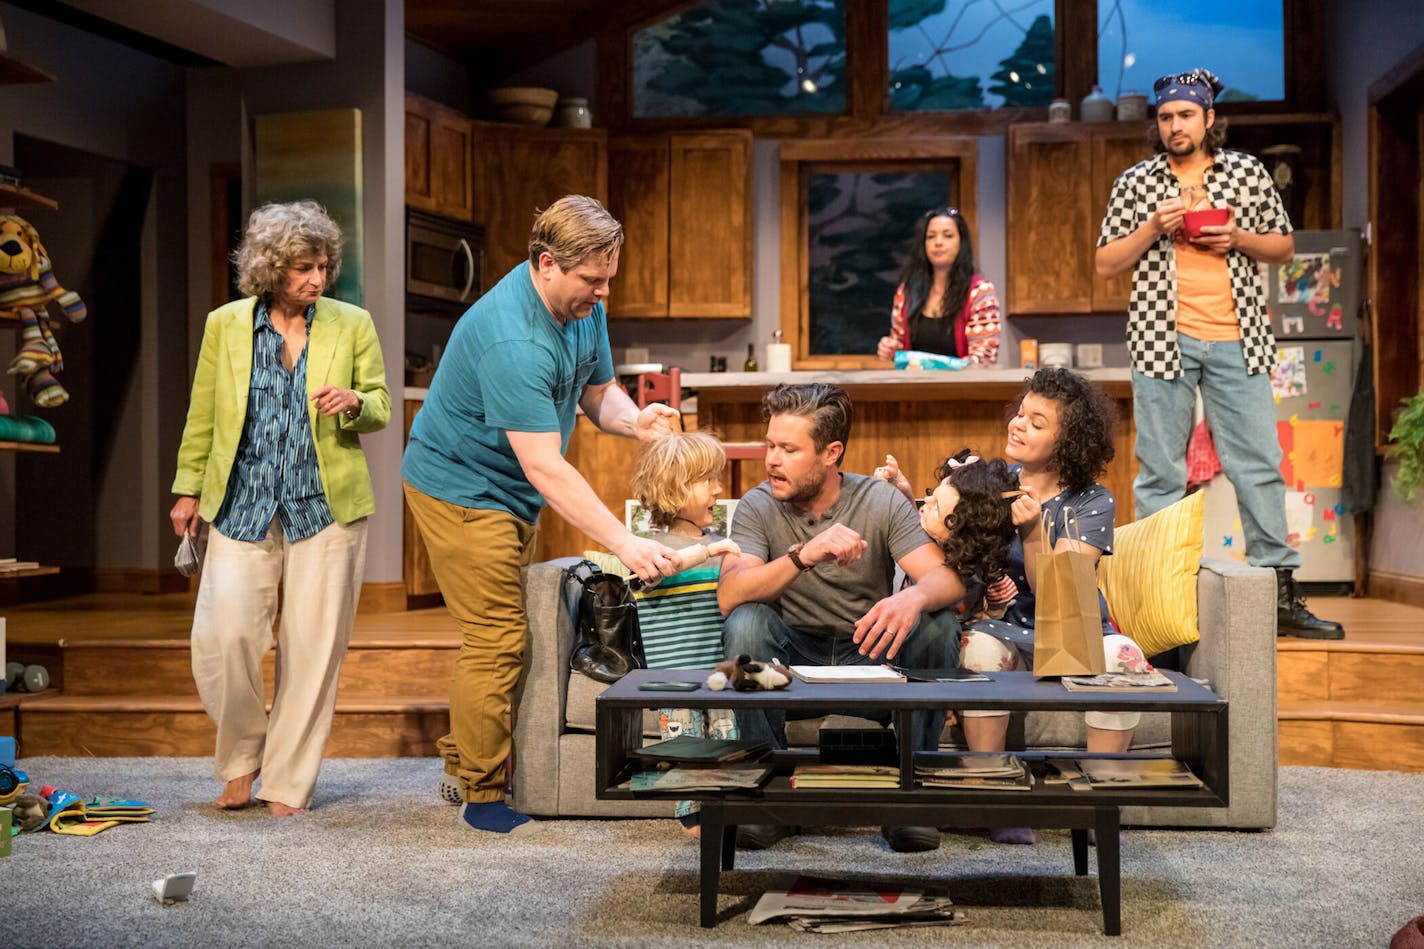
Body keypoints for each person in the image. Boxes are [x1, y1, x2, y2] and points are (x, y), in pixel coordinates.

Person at [401, 195, 682, 837]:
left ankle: (460, 759)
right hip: (462, 488)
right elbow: (546, 467)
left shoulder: (584, 306)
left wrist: (635, 421)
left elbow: (596, 393)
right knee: (497, 636)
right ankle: (479, 788)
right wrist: (625, 542)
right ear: (547, 263)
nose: (604, 292)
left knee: (509, 628)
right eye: (592, 280)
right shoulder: (512, 337)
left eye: (609, 278)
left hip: (512, 485)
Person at [1094, 67, 1343, 640]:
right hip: (1160, 339)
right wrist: (1154, 226)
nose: (1175, 125)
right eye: (1165, 117)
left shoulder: (1248, 173)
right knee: (1160, 471)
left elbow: (1282, 246)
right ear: (1157, 125)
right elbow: (1107, 262)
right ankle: (1153, 593)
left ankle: (1278, 592)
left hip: (1239, 337)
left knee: (1258, 466)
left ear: (1208, 118)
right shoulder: (1136, 183)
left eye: (1186, 114)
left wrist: (1236, 239)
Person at [170, 200, 391, 816]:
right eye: (301, 268)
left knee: (314, 646)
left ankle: (287, 781)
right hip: (242, 500)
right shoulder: (226, 325)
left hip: (327, 504)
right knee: (224, 635)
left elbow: (380, 406)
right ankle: (242, 758)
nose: (315, 280)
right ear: (270, 268)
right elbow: (203, 414)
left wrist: (352, 400)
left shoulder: (351, 324)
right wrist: (187, 489)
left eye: (322, 266)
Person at [718, 382, 965, 854]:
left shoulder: (879, 500)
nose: (771, 459)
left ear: (831, 452)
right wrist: (802, 555)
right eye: (771, 445)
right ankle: (766, 800)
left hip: (869, 653)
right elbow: (730, 595)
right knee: (746, 621)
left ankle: (910, 801)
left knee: (936, 622)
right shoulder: (758, 505)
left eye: (788, 449)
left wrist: (911, 600)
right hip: (790, 661)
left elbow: (948, 582)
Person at [964, 368, 1150, 845]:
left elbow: (1062, 595)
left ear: (1067, 440)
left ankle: (1099, 801)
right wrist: (903, 493)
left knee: (1124, 656)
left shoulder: (1091, 502)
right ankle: (995, 794)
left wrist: (1031, 532)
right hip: (1008, 629)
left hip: (1073, 630)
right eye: (1020, 414)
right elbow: (944, 530)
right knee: (980, 649)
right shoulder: (990, 483)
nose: (1018, 425)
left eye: (1036, 421)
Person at [628, 430, 742, 840]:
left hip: (718, 676)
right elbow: (657, 572)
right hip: (675, 680)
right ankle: (692, 816)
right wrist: (710, 552)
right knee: (686, 742)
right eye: (707, 480)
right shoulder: (649, 548)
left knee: (728, 738)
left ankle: (727, 809)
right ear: (676, 490)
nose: (718, 489)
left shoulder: (720, 543)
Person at [875, 206, 1001, 367]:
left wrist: (929, 365)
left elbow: (983, 360)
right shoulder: (906, 291)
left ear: (961, 242)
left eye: (948, 236)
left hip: (964, 390)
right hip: (913, 388)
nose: (938, 242)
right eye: (931, 236)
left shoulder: (980, 292)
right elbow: (900, 350)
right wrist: (890, 350)